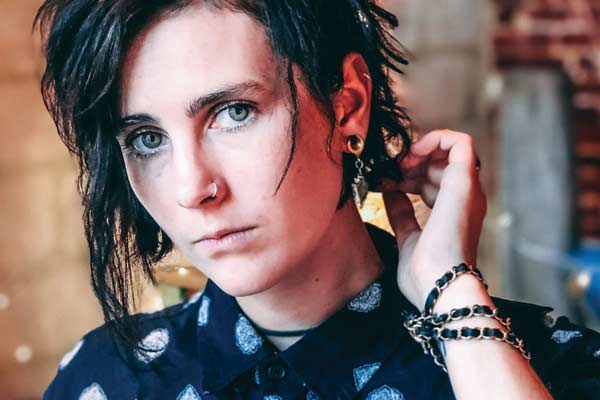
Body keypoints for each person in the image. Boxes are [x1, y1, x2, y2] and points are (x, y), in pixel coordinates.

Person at [34, 1, 600, 399]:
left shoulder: (553, 364)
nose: (191, 189)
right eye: (147, 139)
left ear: (348, 104)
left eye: (234, 113)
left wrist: (453, 296)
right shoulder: (104, 379)